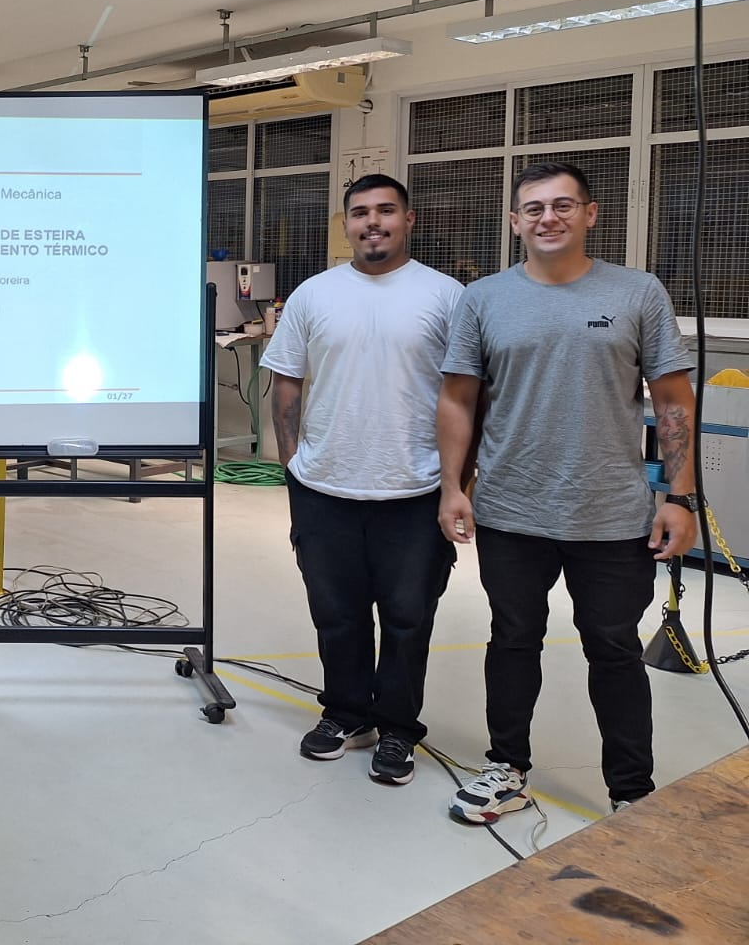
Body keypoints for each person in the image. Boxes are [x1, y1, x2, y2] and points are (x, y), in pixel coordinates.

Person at [438, 161, 696, 822]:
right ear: (514, 222)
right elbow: (459, 399)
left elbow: (672, 399)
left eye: (562, 205)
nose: (547, 218)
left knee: (614, 649)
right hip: (511, 509)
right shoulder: (483, 299)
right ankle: (506, 768)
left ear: (590, 214)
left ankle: (631, 792)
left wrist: (680, 496)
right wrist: (452, 488)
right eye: (533, 208)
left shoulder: (638, 292)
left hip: (610, 514)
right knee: (512, 638)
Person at [264, 174, 463, 784]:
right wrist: (293, 464)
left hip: (415, 488)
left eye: (385, 210)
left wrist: (458, 481)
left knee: (408, 616)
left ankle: (398, 727)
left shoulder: (447, 296)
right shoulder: (314, 294)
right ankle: (347, 714)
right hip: (324, 487)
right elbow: (286, 380)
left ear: (409, 219)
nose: (372, 222)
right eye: (359, 213)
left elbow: (466, 393)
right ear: (346, 224)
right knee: (336, 613)